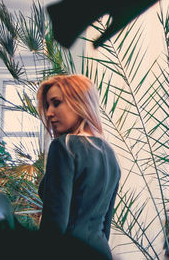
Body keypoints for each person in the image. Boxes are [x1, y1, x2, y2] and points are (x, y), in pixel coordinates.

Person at [36, 74, 120, 259]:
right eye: (48, 105)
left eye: (56, 103)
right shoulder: (109, 152)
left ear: (79, 103)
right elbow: (105, 227)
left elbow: (55, 224)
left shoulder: (63, 146)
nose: (49, 113)